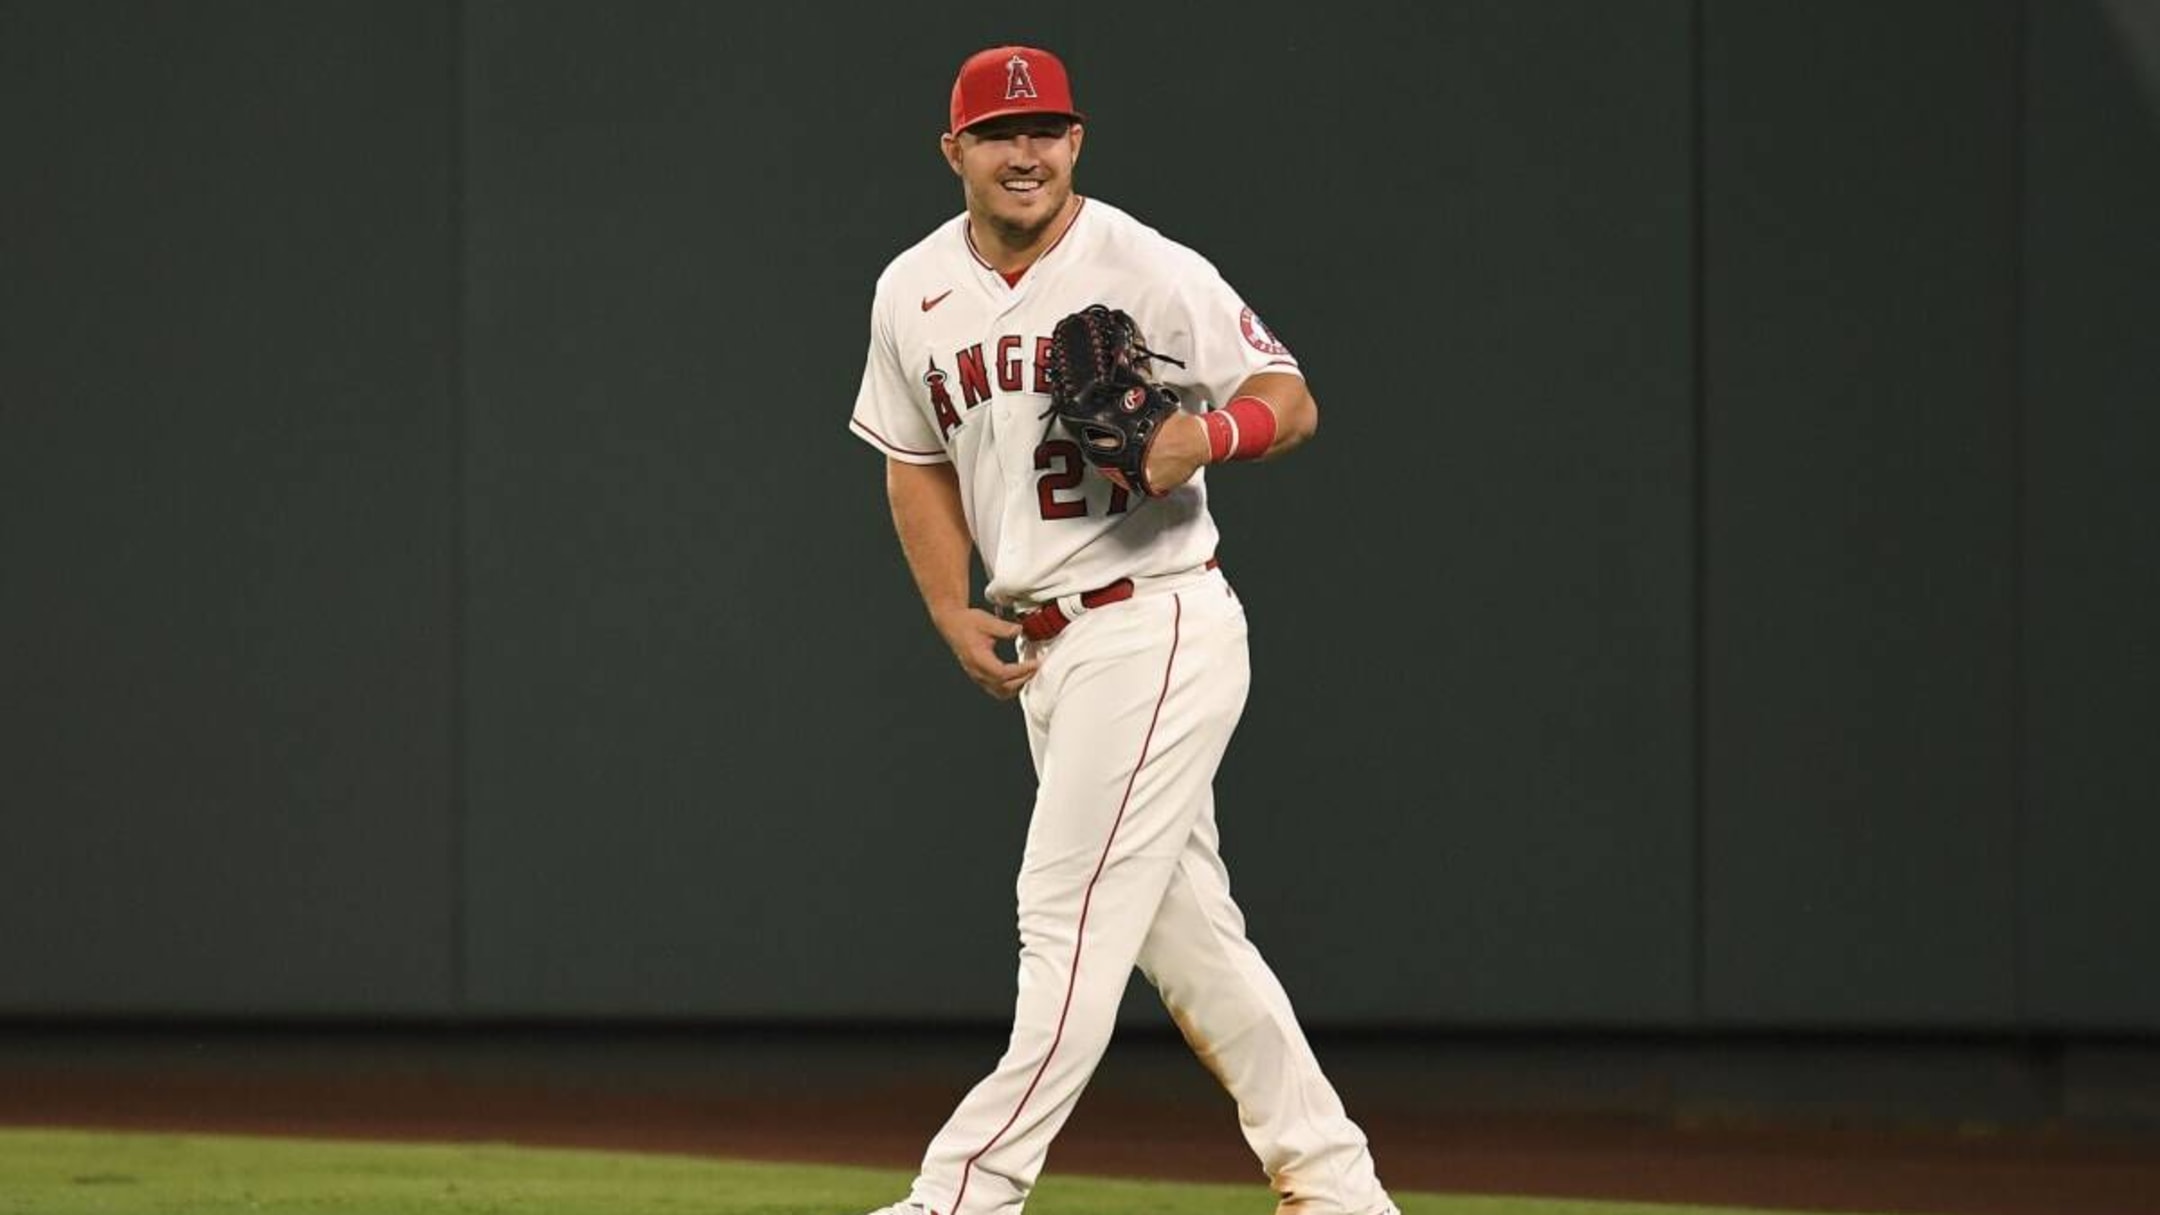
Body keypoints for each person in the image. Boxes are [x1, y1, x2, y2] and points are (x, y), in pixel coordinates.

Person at [846, 44, 1398, 1215]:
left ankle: (964, 1196)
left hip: (1154, 625)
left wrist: (1210, 438)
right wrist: (952, 606)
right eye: (998, 134)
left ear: (1077, 140)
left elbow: (1287, 396)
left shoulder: (1141, 262)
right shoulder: (910, 290)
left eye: (1045, 128)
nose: (1024, 151)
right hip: (1050, 647)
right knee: (1190, 940)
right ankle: (1338, 1187)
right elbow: (912, 462)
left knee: (1064, 914)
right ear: (955, 153)